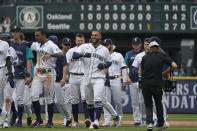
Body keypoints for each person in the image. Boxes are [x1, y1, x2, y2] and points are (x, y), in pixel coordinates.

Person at [72, 30, 120, 129]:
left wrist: (104, 65)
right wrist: (83, 54)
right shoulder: (84, 46)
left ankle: (97, 121)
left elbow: (109, 62)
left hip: (99, 77)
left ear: (100, 36)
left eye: (96, 35)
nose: (93, 37)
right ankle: (94, 121)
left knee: (98, 100)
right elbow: (74, 55)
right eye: (92, 35)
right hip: (86, 78)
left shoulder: (104, 49)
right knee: (89, 102)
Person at [25, 28, 63, 128]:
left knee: (49, 99)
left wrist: (51, 55)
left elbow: (61, 53)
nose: (36, 37)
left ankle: (50, 122)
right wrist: (20, 41)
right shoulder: (37, 44)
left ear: (43, 35)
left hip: (49, 74)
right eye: (35, 35)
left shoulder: (51, 45)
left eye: (37, 35)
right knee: (33, 96)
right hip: (38, 73)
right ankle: (39, 120)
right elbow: (30, 44)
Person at [139, 40, 177, 131]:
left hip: (145, 84)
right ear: (158, 47)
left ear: (150, 48)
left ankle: (149, 124)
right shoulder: (162, 55)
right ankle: (160, 125)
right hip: (157, 84)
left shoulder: (144, 57)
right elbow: (174, 66)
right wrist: (165, 72)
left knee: (148, 105)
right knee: (158, 104)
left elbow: (140, 72)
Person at [8, 26, 33, 127]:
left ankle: (19, 120)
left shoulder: (25, 46)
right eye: (13, 32)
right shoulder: (8, 44)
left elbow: (28, 62)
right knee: (10, 98)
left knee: (19, 98)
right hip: (10, 75)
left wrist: (28, 76)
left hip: (21, 75)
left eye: (16, 32)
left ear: (20, 33)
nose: (14, 33)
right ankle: (14, 115)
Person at [66, 33, 90, 127]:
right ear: (75, 41)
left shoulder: (88, 50)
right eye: (78, 40)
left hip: (84, 76)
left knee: (85, 98)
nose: (80, 42)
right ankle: (75, 121)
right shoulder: (71, 51)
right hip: (73, 76)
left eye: (81, 40)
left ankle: (87, 120)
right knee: (74, 100)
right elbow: (66, 63)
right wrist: (66, 75)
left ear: (84, 41)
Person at [102, 39, 127, 126]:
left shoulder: (118, 55)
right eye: (105, 45)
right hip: (105, 80)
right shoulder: (102, 56)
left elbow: (123, 68)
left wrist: (124, 81)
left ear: (111, 45)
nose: (106, 46)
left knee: (118, 101)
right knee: (106, 101)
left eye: (107, 45)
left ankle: (119, 118)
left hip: (116, 79)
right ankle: (107, 121)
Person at [49, 35, 72, 127]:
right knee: (58, 102)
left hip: (66, 80)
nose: (66, 46)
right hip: (55, 79)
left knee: (65, 101)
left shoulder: (69, 52)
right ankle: (67, 117)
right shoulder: (56, 53)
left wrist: (66, 76)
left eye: (68, 44)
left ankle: (67, 120)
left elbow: (66, 66)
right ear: (62, 44)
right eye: (65, 44)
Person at [125, 37, 143, 126]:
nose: (136, 46)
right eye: (134, 44)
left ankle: (145, 119)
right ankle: (136, 120)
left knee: (143, 101)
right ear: (132, 45)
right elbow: (125, 67)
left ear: (140, 44)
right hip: (132, 80)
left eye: (137, 44)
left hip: (142, 80)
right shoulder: (128, 54)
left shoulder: (145, 53)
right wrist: (127, 77)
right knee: (135, 102)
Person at [0, 33, 14, 127]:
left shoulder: (5, 45)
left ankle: (5, 120)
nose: (9, 42)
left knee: (7, 97)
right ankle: (3, 114)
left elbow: (8, 60)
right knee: (2, 98)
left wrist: (10, 73)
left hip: (2, 70)